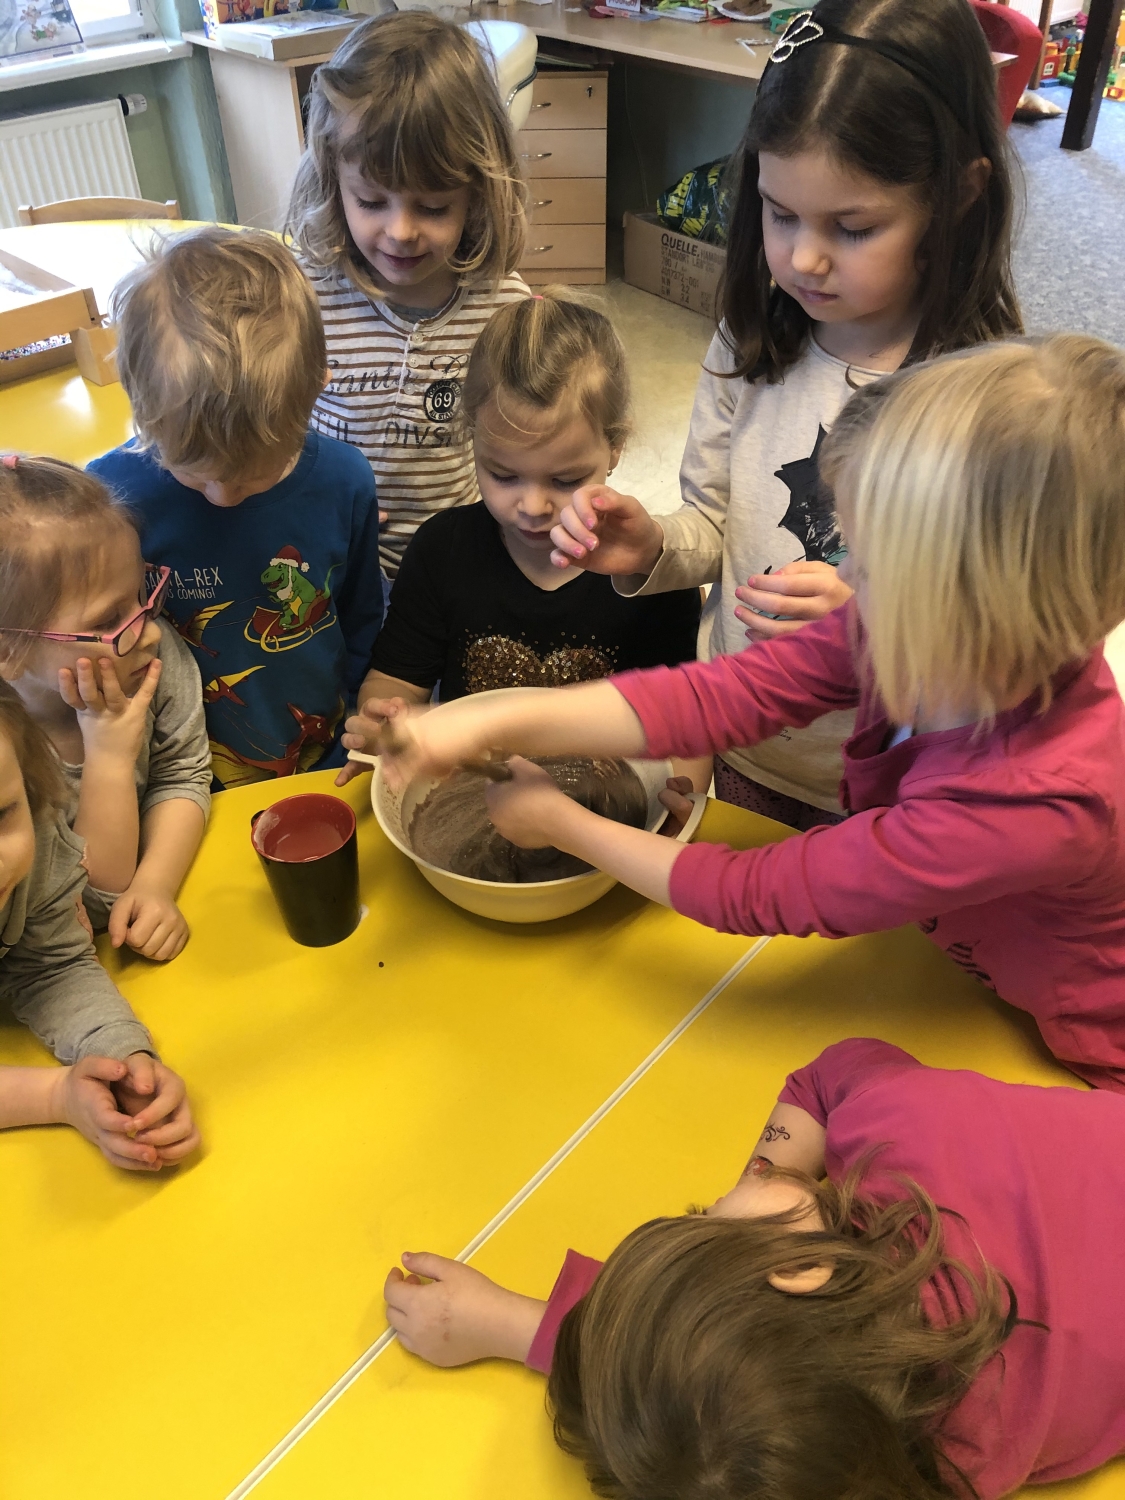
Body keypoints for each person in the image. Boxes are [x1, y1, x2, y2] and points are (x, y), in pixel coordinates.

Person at [355, 337, 1125, 1089]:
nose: (845, 584)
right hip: (974, 959)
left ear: (983, 610)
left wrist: (562, 824)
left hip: (1086, 1045)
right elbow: (722, 697)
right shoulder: (926, 630)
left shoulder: (1033, 803)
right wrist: (490, 723)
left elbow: (762, 892)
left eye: (872, 567)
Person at [547, 0, 1022, 831]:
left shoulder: (993, 397)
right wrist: (650, 545)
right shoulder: (750, 338)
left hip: (894, 790)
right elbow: (714, 527)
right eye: (778, 212)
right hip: (744, 750)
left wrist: (876, 623)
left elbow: (1010, 631)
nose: (802, 257)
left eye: (852, 227)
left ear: (957, 195)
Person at [382, 1037, 1125, 1499]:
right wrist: (764, 1185)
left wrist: (518, 1326)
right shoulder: (909, 1131)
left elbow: (734, 1408)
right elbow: (834, 1074)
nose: (717, 1201)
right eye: (706, 1217)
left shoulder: (949, 1462)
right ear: (800, 1271)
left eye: (703, 1213)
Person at [345, 294, 703, 773]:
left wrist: (684, 789)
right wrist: (385, 721)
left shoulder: (654, 573)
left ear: (615, 446)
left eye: (566, 480)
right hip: (473, 792)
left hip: (607, 806)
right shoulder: (441, 551)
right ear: (473, 438)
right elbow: (394, 682)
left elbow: (686, 724)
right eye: (504, 475)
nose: (533, 508)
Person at [89, 227, 382, 791]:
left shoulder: (345, 480)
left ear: (315, 392)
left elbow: (363, 613)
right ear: (140, 406)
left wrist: (366, 711)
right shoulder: (107, 498)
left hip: (322, 752)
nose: (223, 497)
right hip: (173, 777)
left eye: (253, 475)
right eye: (195, 473)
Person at [286, 11, 531, 586]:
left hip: (452, 569)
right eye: (371, 201)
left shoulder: (505, 310)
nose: (400, 232)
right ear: (333, 180)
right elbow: (271, 430)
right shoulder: (301, 296)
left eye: (434, 206)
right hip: (327, 561)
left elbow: (524, 451)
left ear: (478, 193)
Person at [0, 456, 210, 961]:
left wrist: (156, 883)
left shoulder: (148, 660)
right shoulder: (7, 755)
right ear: (10, 651)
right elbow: (90, 902)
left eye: (142, 594)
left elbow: (182, 773)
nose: (150, 632)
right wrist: (109, 759)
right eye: (109, 619)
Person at [0, 691, 199, 1170]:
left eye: (1, 814)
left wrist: (120, 1060)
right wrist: (53, 1095)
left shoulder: (37, 845)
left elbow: (50, 967)